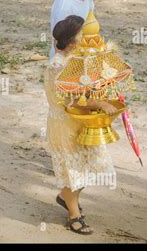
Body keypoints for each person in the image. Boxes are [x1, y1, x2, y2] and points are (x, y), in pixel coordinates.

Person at [44, 15, 117, 234]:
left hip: (77, 121)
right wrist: (101, 103)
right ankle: (74, 214)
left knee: (85, 167)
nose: (86, 40)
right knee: (73, 170)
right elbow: (73, 100)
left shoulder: (72, 61)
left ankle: (65, 197)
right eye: (82, 37)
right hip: (64, 125)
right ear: (73, 43)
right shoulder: (57, 67)